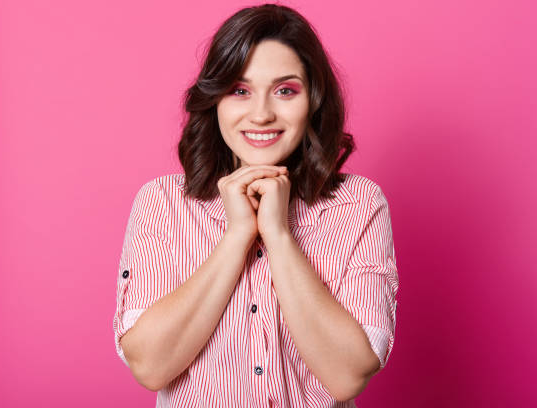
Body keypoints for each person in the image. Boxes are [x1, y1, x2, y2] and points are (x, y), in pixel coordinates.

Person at [113, 4, 399, 407]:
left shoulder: (358, 205)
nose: (261, 114)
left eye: (285, 90)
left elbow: (347, 375)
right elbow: (150, 366)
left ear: (313, 100)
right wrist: (238, 235)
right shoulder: (163, 203)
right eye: (239, 90)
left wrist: (279, 235)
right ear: (215, 101)